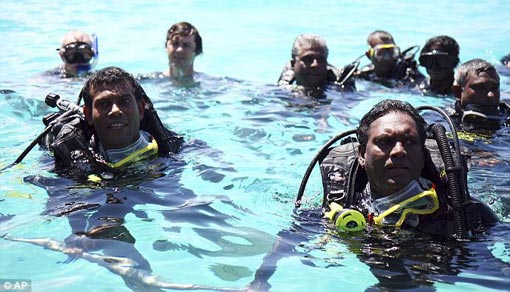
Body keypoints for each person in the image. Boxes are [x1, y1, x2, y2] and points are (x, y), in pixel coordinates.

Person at [249, 99, 498, 291]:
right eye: (385, 141)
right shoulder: (342, 205)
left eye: (409, 141)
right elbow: (289, 239)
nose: (398, 151)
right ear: (361, 154)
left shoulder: (462, 214)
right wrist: (260, 280)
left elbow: (494, 271)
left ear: (423, 153)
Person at [41, 66, 183, 171]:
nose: (115, 111)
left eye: (125, 101)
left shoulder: (177, 149)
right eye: (103, 104)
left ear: (140, 109)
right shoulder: (69, 162)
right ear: (89, 115)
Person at [277, 33, 356, 95]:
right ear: (293, 64)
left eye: (321, 59)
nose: (315, 65)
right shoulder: (276, 92)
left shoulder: (339, 92)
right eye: (308, 59)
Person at [451, 58, 509, 130]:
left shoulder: (506, 118)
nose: (491, 95)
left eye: (494, 88)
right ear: (458, 91)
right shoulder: (444, 122)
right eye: (480, 88)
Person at [355, 30, 424, 88]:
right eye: (381, 53)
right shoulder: (363, 75)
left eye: (391, 52)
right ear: (369, 55)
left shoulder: (406, 72)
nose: (387, 58)